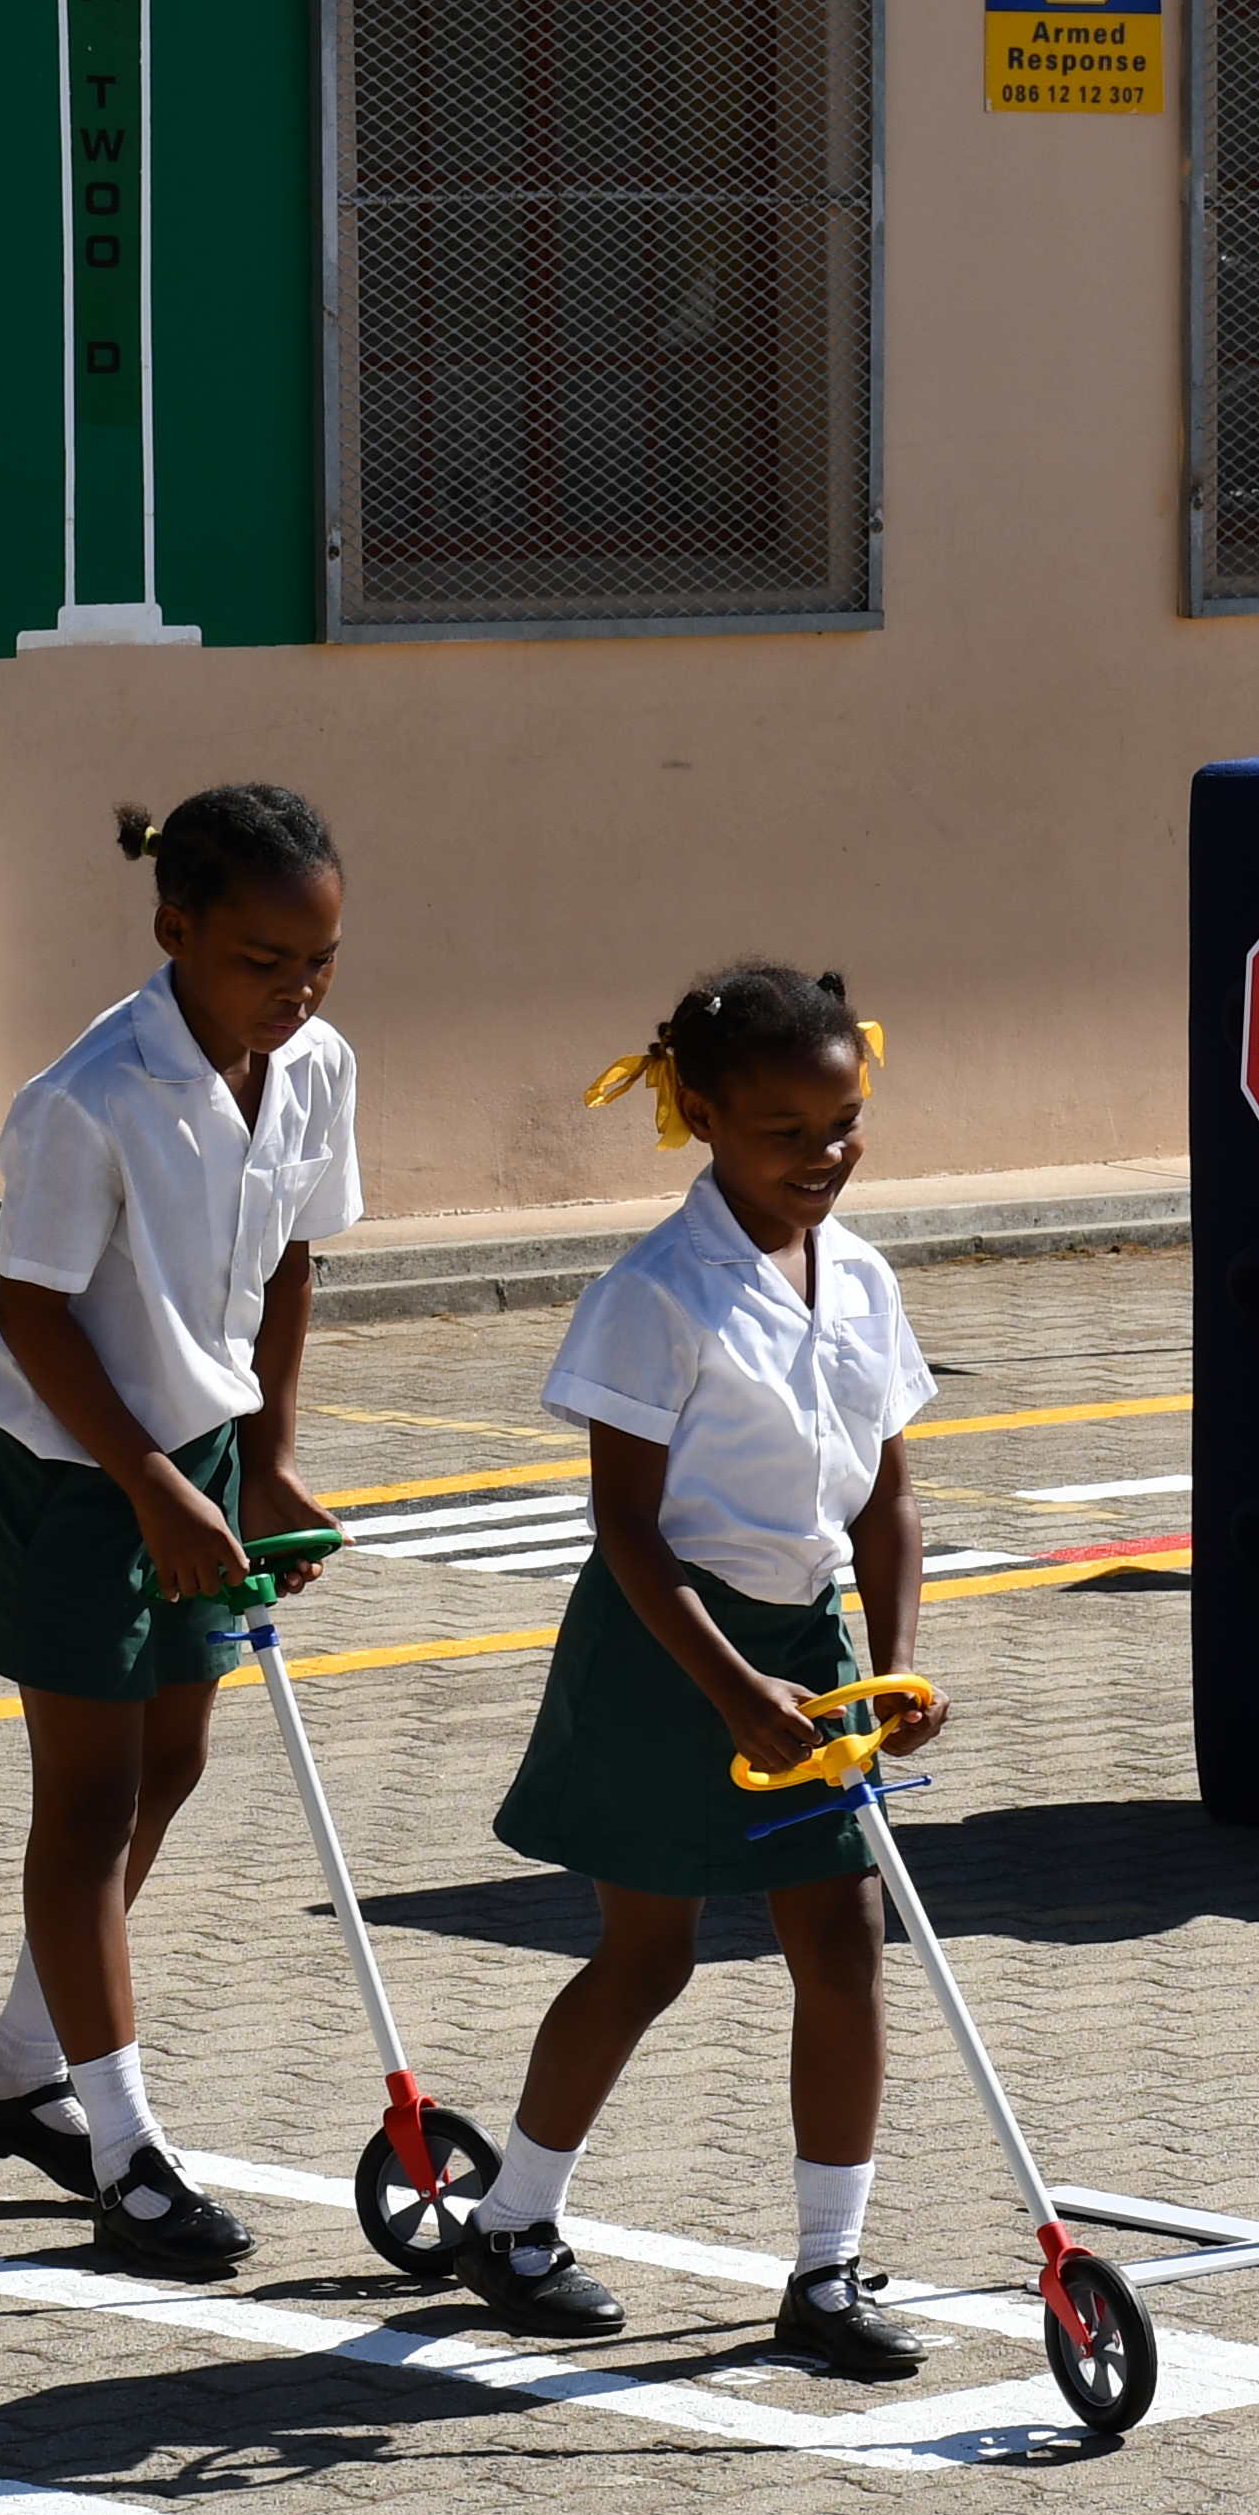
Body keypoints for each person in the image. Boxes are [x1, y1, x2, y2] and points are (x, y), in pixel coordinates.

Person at [443, 964, 950, 2368]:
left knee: (843, 1947)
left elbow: (888, 1502)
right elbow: (621, 1529)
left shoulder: (858, 1275)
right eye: (783, 1131)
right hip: (671, 1648)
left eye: (843, 1121)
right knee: (647, 1953)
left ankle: (829, 2273)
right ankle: (512, 2221)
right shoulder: (655, 1295)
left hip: (808, 1643)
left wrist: (893, 1667)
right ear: (703, 1119)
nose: (823, 1155)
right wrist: (734, 1688)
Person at [0, 786, 360, 2274]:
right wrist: (152, 1487)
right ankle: (127, 2158)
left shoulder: (313, 1067)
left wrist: (268, 1454)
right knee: (90, 1803)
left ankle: (17, 2074)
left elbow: (294, 1255)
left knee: (171, 1762)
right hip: (76, 1472)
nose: (294, 993)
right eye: (261, 961)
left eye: (318, 963)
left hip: (202, 1453)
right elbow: (30, 1310)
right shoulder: (88, 1097)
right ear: (173, 931)